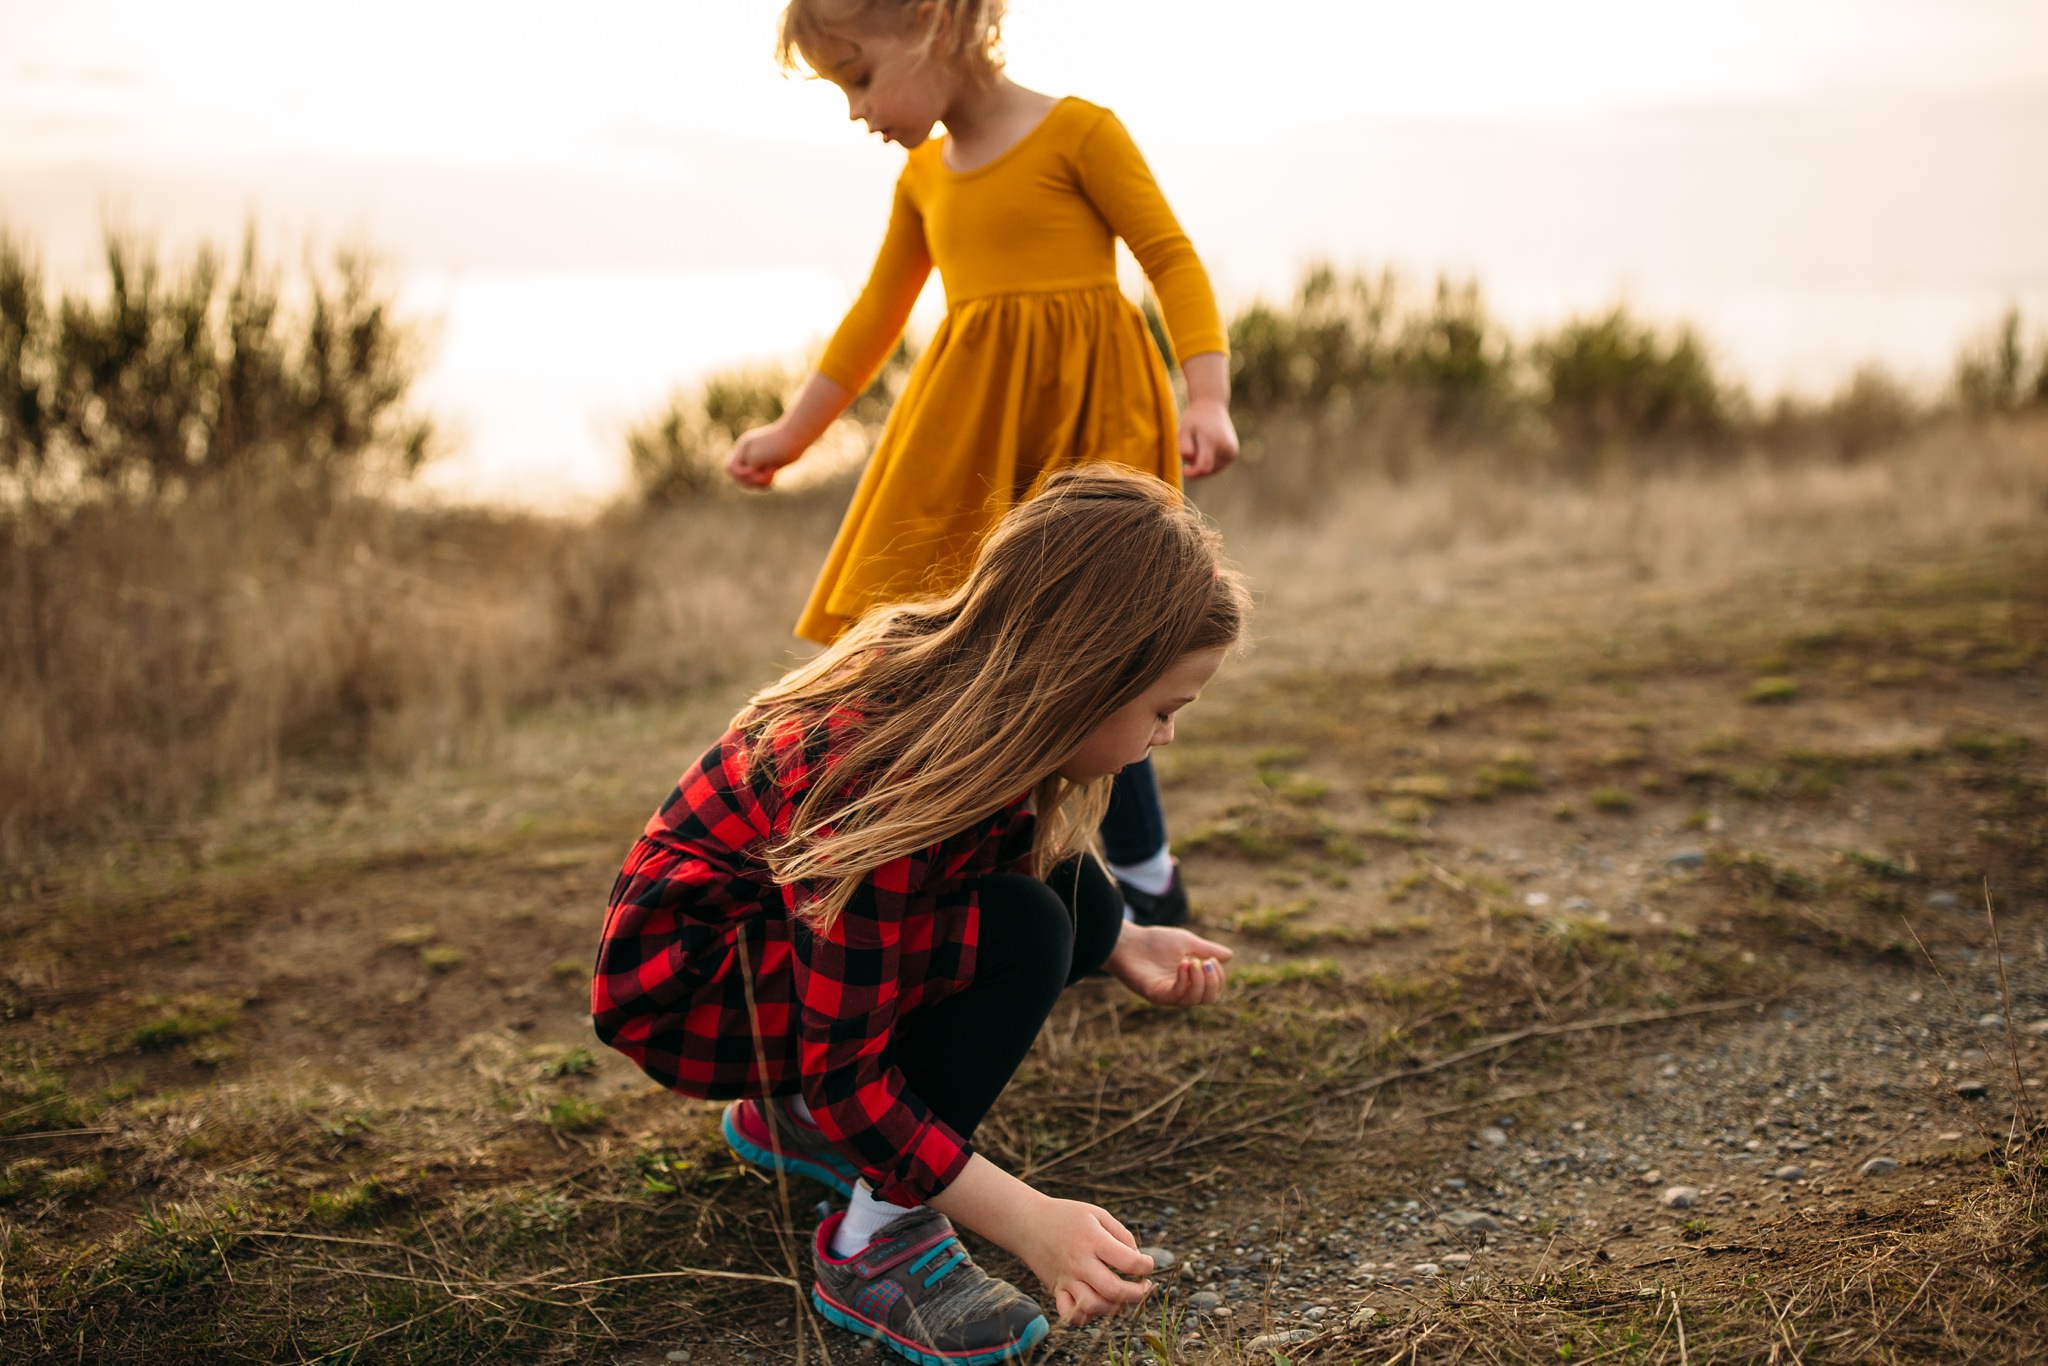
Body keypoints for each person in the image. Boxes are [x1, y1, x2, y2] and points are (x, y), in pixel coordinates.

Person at [592, 468, 1250, 1363]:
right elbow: (849, 1072)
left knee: (1069, 895)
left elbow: (1019, 865)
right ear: (1085, 679)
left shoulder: (975, 700)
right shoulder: (883, 783)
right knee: (1027, 932)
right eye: (1162, 710)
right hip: (697, 996)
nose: (1165, 737)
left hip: (773, 955)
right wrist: (1030, 1221)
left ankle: (792, 1124)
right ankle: (875, 1242)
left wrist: (1124, 938)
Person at [725, 0, 1240, 930]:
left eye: (860, 78)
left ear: (934, 27)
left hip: (1091, 432)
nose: (856, 111)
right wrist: (791, 435)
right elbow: (873, 318)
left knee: (1107, 657)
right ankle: (999, 881)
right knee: (965, 655)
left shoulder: (1079, 132)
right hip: (972, 441)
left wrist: (1206, 395)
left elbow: (1170, 258)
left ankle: (1146, 875)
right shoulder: (924, 179)